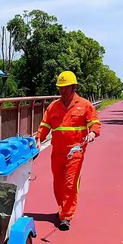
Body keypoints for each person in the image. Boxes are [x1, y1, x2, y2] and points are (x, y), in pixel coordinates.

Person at [35, 71, 101, 231]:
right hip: (57, 151)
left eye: (65, 87)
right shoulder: (53, 107)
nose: (62, 90)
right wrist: (38, 139)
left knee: (70, 184)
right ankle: (62, 208)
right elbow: (45, 125)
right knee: (58, 184)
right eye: (60, 88)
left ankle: (66, 217)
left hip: (76, 151)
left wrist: (92, 133)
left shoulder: (85, 105)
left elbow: (95, 123)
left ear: (73, 87)